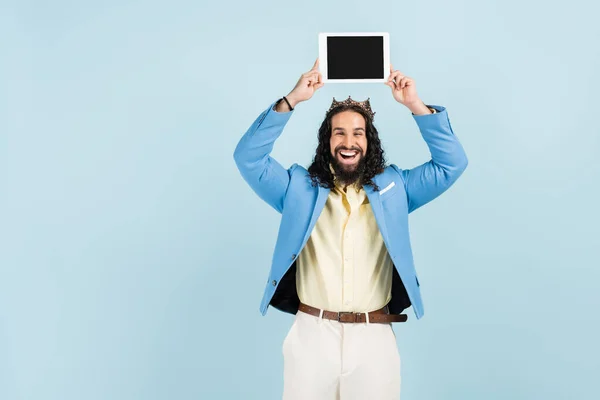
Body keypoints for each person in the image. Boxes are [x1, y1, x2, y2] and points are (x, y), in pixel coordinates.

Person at [233, 58, 468, 400]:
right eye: (339, 132)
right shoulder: (297, 187)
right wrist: (292, 99)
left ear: (369, 141)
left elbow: (452, 164)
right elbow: (248, 158)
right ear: (326, 141)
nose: (349, 141)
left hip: (374, 339)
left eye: (358, 133)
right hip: (311, 334)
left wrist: (415, 105)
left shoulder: (395, 188)